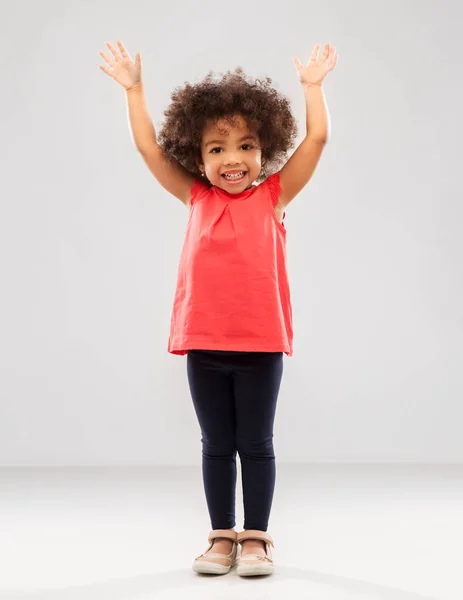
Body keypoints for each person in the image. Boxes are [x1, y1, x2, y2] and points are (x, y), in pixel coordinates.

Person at [98, 39, 338, 577]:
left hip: (260, 346)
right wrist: (135, 90)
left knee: (255, 443)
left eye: (246, 146)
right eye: (216, 149)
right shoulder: (196, 198)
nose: (233, 160)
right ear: (198, 157)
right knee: (215, 444)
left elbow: (318, 138)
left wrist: (313, 88)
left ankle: (256, 537)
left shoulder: (273, 194)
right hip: (204, 345)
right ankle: (221, 535)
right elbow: (147, 150)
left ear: (264, 150)